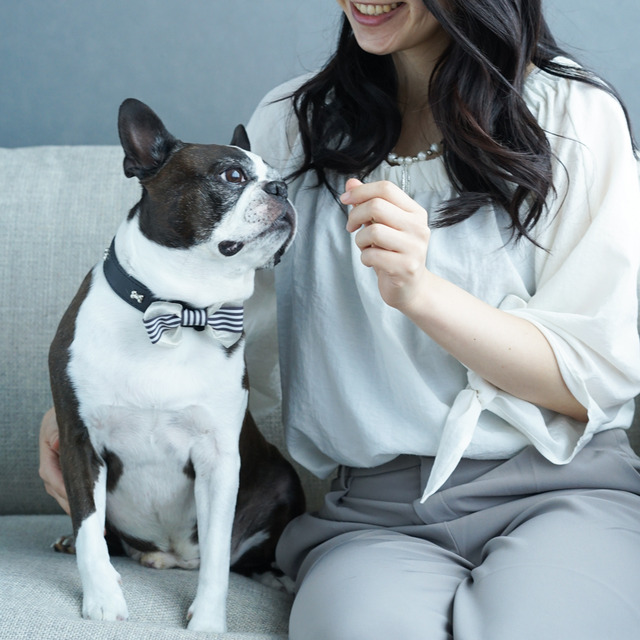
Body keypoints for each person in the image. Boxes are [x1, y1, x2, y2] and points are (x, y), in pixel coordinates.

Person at [41, 1, 640, 638]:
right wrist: (87, 394)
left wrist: (419, 291)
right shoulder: (292, 128)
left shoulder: (570, 115)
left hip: (557, 488)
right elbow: (211, 316)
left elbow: (594, 377)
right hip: (374, 518)